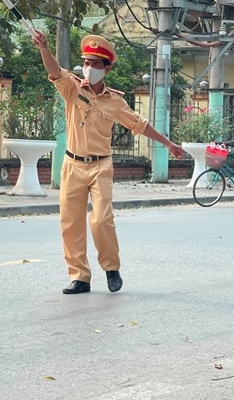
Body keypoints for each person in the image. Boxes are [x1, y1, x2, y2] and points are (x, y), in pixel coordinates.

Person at [31, 31, 184, 295]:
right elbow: (55, 71)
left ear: (107, 68)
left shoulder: (115, 101)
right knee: (70, 222)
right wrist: (44, 48)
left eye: (95, 64)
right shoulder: (72, 88)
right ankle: (80, 277)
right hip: (72, 164)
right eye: (86, 62)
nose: (89, 68)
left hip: (100, 166)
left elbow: (140, 125)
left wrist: (168, 144)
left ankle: (111, 268)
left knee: (101, 219)